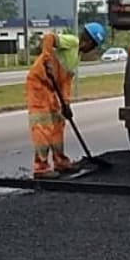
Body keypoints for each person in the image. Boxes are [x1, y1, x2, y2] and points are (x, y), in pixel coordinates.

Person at [25, 22, 106, 179]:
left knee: (58, 122)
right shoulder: (72, 42)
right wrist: (47, 59)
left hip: (50, 89)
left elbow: (65, 82)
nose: (93, 49)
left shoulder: (76, 58)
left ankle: (61, 162)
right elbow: (49, 38)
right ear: (89, 41)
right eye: (94, 45)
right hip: (37, 84)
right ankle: (41, 169)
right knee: (43, 125)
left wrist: (66, 104)